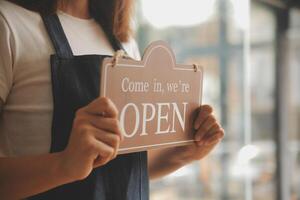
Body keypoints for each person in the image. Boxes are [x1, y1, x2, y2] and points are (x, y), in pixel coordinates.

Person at [0, 0, 225, 199]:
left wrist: (186, 153)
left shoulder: (125, 43)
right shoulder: (7, 24)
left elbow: (124, 169)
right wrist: (63, 165)